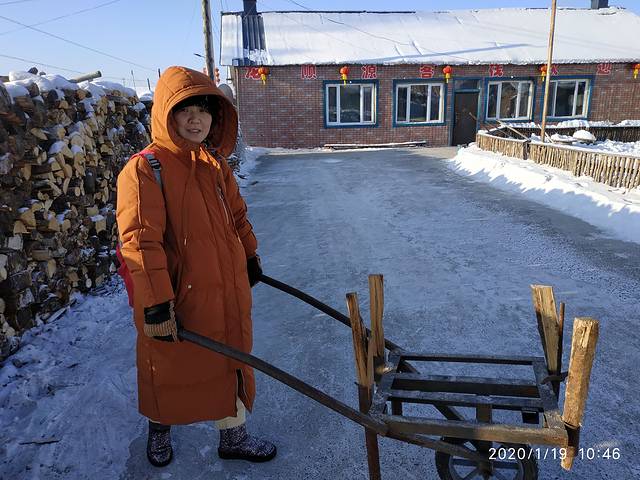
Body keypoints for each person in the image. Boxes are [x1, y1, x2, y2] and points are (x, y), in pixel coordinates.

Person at [116, 66, 276, 467]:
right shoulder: (145, 169)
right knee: (167, 365)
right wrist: (156, 304)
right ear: (166, 115)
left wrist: (250, 256)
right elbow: (140, 242)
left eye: (203, 110)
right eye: (184, 110)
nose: (195, 119)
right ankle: (159, 432)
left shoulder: (214, 164)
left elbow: (237, 217)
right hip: (175, 296)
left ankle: (234, 436)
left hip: (225, 290)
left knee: (230, 357)